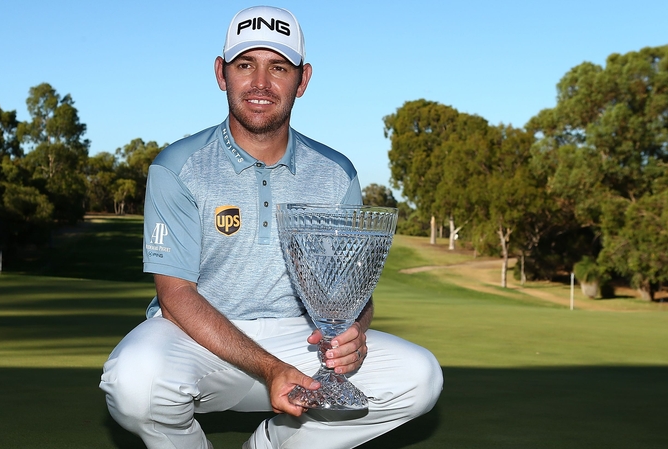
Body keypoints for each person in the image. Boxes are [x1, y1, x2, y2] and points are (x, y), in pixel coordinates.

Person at [100, 6, 443, 448]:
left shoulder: (337, 172)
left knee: (420, 377)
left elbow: (351, 294)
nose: (260, 83)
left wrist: (354, 331)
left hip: (302, 341)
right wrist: (268, 367)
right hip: (198, 341)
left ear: (303, 80)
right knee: (134, 383)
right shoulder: (178, 166)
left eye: (278, 67)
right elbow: (176, 296)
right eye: (246, 65)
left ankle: (272, 444)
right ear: (222, 73)